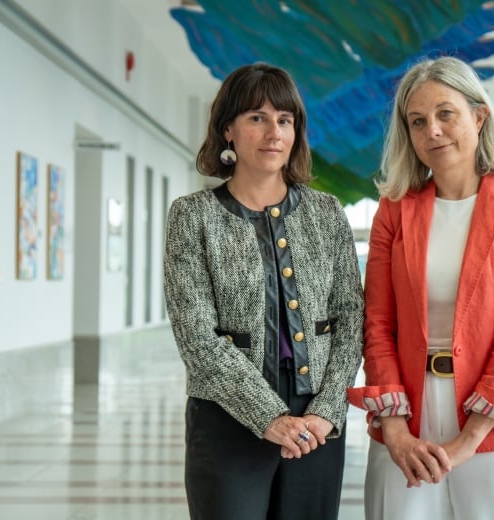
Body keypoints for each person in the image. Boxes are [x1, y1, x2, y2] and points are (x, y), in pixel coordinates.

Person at [347, 56, 494, 519]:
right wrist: (397, 431)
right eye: (418, 122)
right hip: (405, 419)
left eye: (446, 114)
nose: (433, 131)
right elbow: (378, 323)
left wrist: (468, 441)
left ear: (479, 117)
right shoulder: (394, 211)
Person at [163, 62, 364, 520]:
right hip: (227, 417)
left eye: (285, 120)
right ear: (228, 130)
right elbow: (197, 340)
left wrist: (328, 411)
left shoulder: (326, 213)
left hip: (316, 421)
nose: (273, 131)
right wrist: (268, 416)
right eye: (257, 117)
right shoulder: (192, 216)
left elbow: (351, 319)